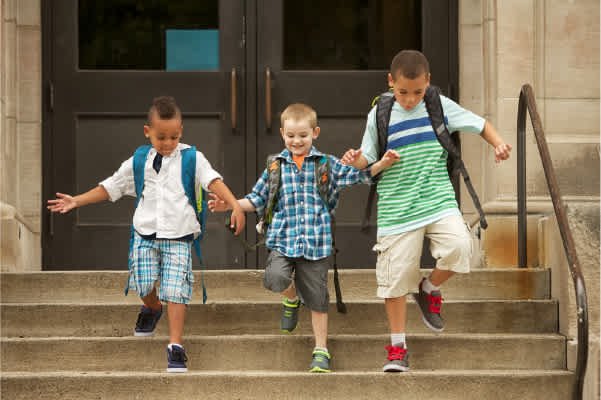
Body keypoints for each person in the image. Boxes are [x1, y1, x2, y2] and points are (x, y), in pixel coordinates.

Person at [341, 50, 512, 372]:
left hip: (437, 200)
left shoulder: (439, 105)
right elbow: (368, 159)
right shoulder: (381, 112)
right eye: (403, 91)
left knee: (461, 247)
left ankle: (429, 288)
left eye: (417, 92)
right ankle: (397, 347)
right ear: (390, 82)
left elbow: (480, 124)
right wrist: (357, 160)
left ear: (428, 83)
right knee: (394, 280)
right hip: (396, 209)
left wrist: (499, 144)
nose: (409, 99)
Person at [47, 96, 245, 373]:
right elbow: (112, 187)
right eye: (161, 137)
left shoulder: (192, 158)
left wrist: (235, 205)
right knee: (143, 284)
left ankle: (175, 347)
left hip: (178, 237)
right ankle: (152, 308)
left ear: (181, 132)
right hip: (144, 235)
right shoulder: (139, 160)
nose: (167, 143)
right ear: (147, 132)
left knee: (176, 290)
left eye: (174, 137)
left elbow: (213, 180)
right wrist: (76, 201)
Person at [208, 103, 397, 373]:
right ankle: (292, 298)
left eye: (303, 136)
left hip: (316, 242)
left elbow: (359, 176)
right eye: (291, 136)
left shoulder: (326, 164)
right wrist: (231, 205)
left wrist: (382, 163)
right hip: (283, 240)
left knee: (318, 297)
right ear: (283, 134)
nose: (297, 141)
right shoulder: (275, 166)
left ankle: (321, 350)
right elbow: (257, 198)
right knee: (275, 278)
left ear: (315, 133)